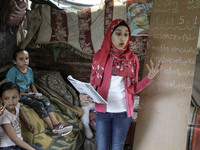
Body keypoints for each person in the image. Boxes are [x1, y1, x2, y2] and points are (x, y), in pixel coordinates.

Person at [79, 18, 162, 150]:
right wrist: (85, 95)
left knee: (117, 146)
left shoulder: (132, 59)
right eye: (118, 33)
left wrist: (149, 77)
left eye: (126, 34)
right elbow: (93, 85)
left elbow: (133, 89)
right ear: (110, 35)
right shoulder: (99, 56)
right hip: (102, 111)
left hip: (123, 112)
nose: (122, 38)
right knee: (101, 147)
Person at [6, 49, 73, 138]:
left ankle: (56, 124)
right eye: (21, 59)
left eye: (27, 58)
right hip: (20, 96)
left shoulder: (29, 70)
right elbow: (11, 91)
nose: (25, 61)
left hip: (30, 94)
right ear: (15, 61)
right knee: (38, 104)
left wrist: (36, 92)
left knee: (45, 101)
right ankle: (52, 128)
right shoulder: (12, 72)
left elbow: (31, 84)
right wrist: (29, 95)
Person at [0, 82, 44, 150]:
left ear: (19, 96)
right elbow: (14, 139)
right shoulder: (3, 116)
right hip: (8, 147)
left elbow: (19, 109)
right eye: (6, 98)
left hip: (19, 144)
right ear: (1, 99)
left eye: (14, 97)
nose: (11, 101)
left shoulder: (16, 105)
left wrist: (27, 122)